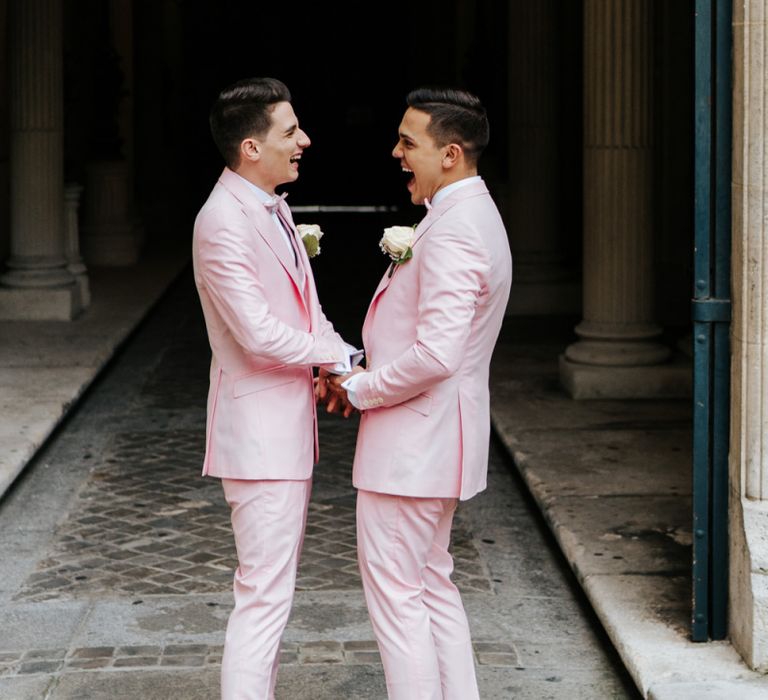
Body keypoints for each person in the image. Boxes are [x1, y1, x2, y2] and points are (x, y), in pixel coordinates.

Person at [326, 87, 513, 699]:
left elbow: (437, 353)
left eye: (409, 143)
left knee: (398, 598)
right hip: (437, 441)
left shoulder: (456, 229)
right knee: (431, 585)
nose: (396, 152)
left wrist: (362, 387)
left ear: (451, 154)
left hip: (412, 448)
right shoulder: (469, 214)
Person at [192, 77, 355, 700]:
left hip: (286, 432)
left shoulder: (274, 206)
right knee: (261, 596)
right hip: (257, 438)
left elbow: (305, 312)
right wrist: (340, 355)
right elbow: (258, 334)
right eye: (291, 131)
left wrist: (336, 362)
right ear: (251, 147)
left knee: (271, 595)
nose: (305, 141)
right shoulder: (221, 221)